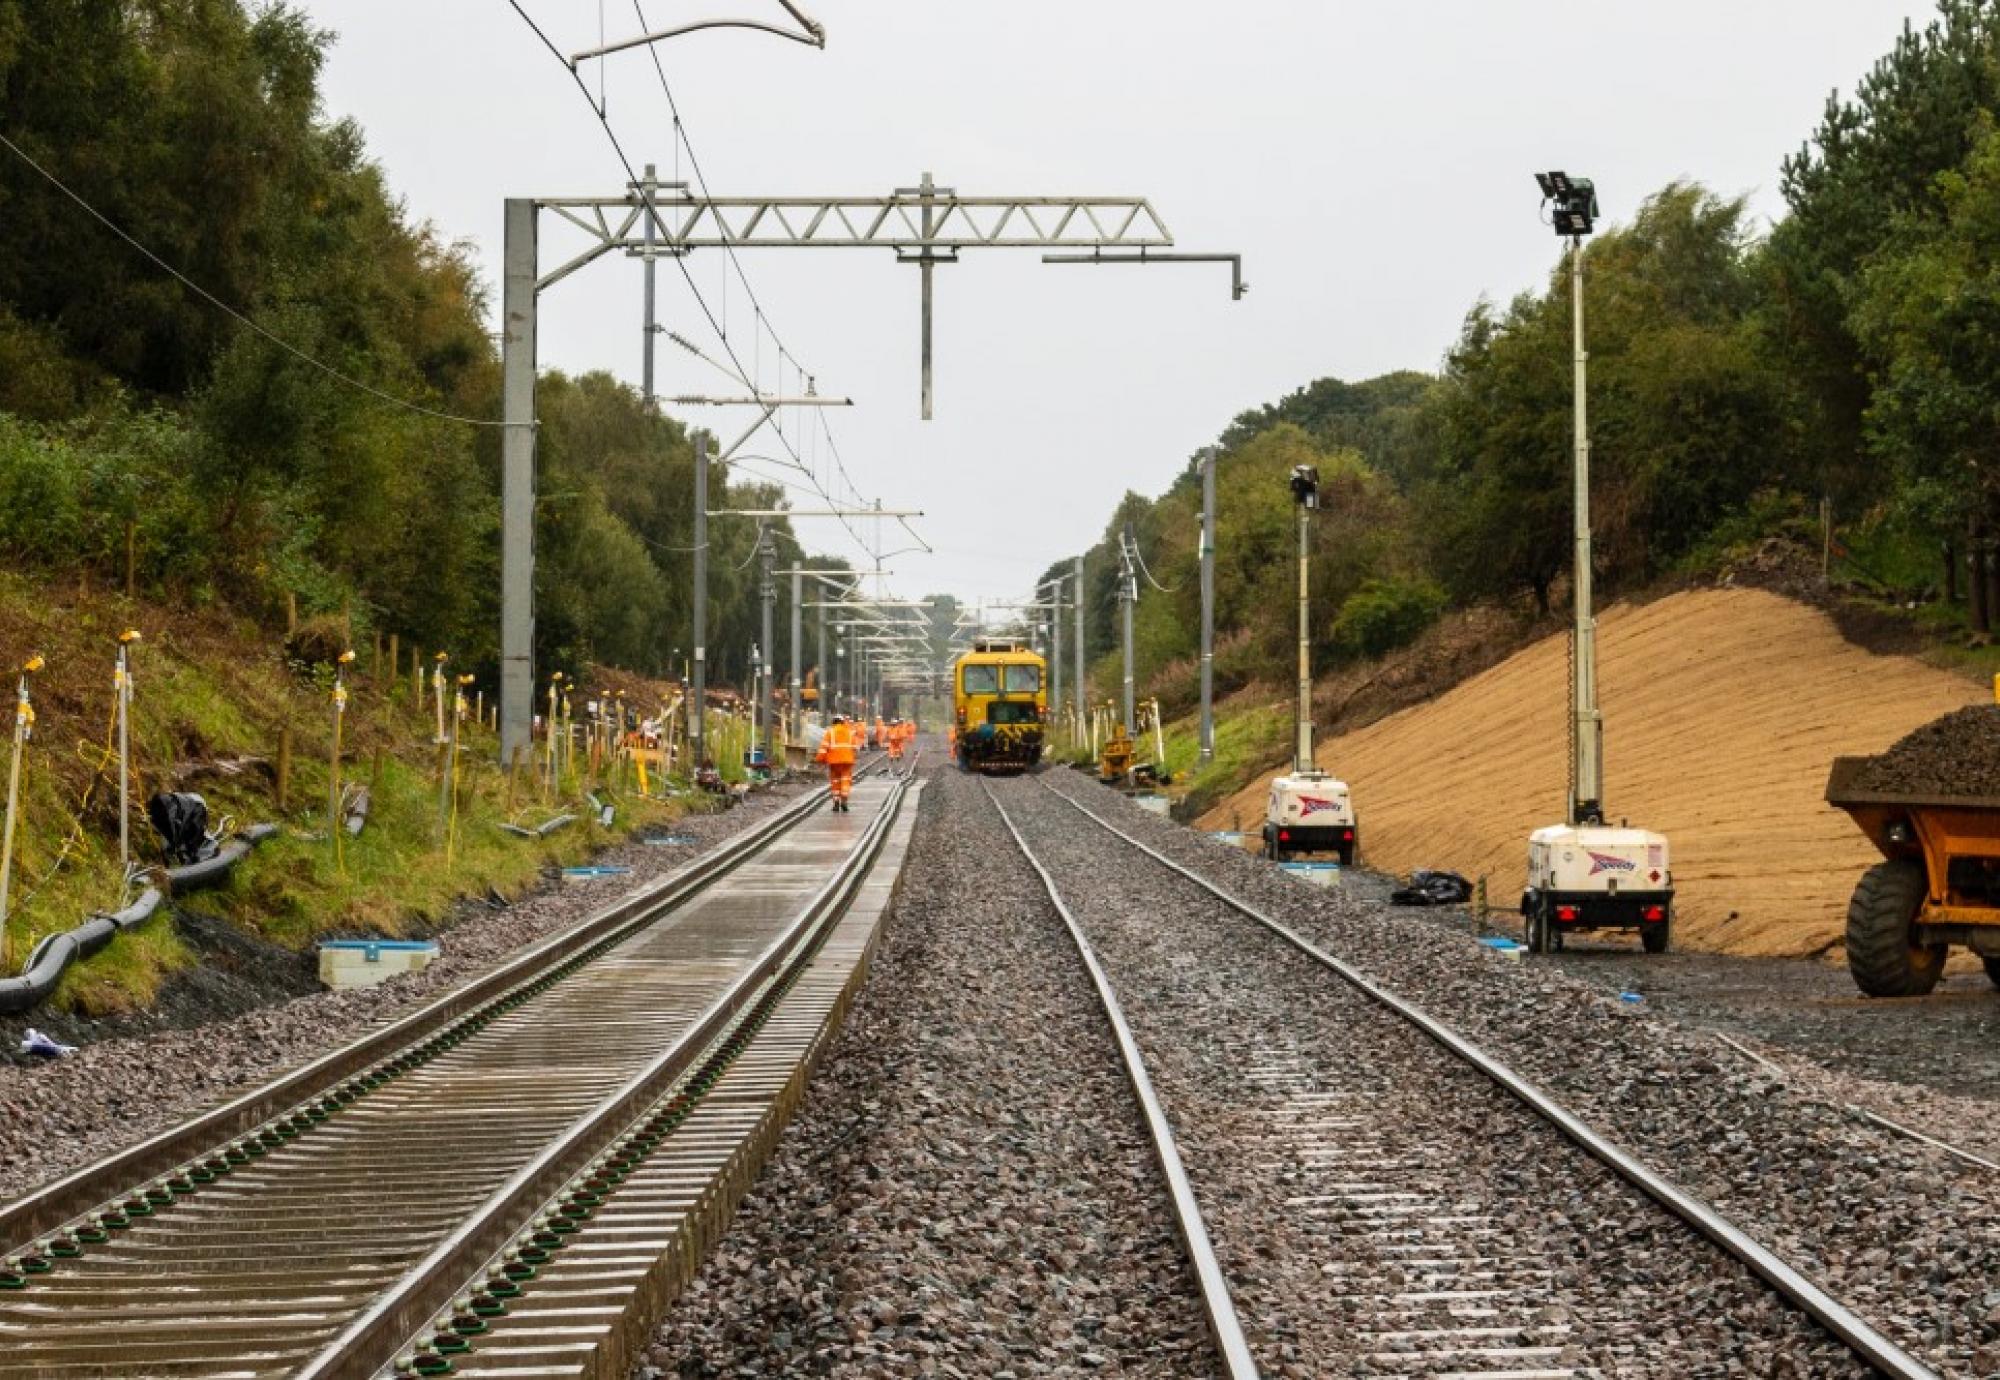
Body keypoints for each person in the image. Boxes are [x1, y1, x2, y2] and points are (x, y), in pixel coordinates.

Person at [816, 714, 857, 812]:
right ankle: (844, 800)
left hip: (834, 762)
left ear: (833, 722)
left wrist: (820, 760)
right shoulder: (849, 732)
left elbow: (823, 748)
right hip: (847, 761)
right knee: (845, 780)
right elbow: (855, 748)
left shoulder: (830, 732)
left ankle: (836, 802)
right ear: (843, 722)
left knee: (835, 781)